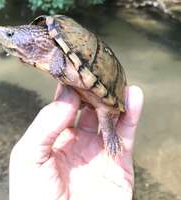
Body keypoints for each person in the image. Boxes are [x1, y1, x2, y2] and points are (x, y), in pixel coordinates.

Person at [9, 84, 144, 200]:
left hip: (96, 95)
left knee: (104, 114)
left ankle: (110, 136)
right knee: (104, 113)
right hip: (92, 94)